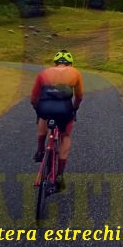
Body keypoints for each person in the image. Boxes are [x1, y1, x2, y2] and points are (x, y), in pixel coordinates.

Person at [30, 49, 84, 192]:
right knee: (65, 136)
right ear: (70, 63)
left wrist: (37, 109)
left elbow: (33, 98)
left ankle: (40, 150)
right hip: (64, 110)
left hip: (45, 108)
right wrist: (74, 109)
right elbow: (79, 96)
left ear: (55, 63)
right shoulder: (75, 73)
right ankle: (59, 176)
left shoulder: (44, 73)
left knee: (43, 117)